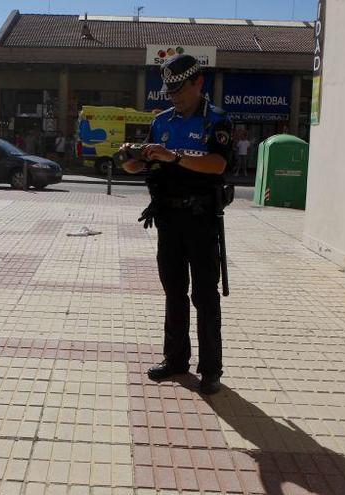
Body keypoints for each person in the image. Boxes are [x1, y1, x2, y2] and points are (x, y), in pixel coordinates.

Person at [119, 54, 233, 395]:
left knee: (204, 295)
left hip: (200, 220)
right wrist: (132, 160)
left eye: (179, 90)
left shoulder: (216, 121)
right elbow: (146, 168)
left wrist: (176, 157)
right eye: (169, 91)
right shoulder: (162, 122)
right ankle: (176, 359)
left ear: (198, 83)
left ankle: (211, 370)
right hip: (168, 219)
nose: (173, 97)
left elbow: (217, 164)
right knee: (173, 292)